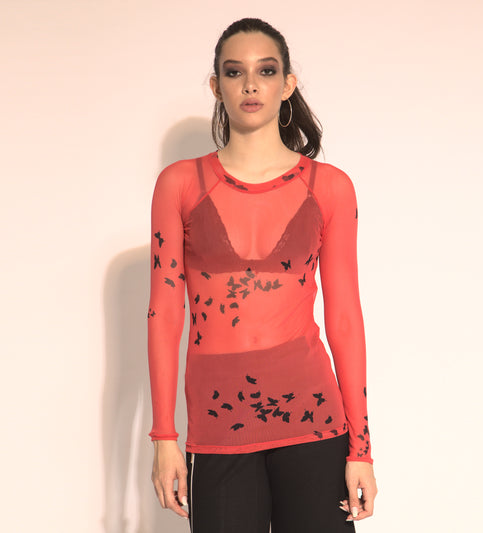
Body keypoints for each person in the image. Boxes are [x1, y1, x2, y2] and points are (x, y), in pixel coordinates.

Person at [147, 17, 378, 533]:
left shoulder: (330, 187)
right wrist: (163, 437)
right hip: (217, 425)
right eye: (235, 72)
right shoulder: (180, 184)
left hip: (313, 418)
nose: (250, 84)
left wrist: (360, 448)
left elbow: (344, 318)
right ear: (217, 86)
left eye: (266, 71)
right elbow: (163, 314)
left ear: (287, 84)